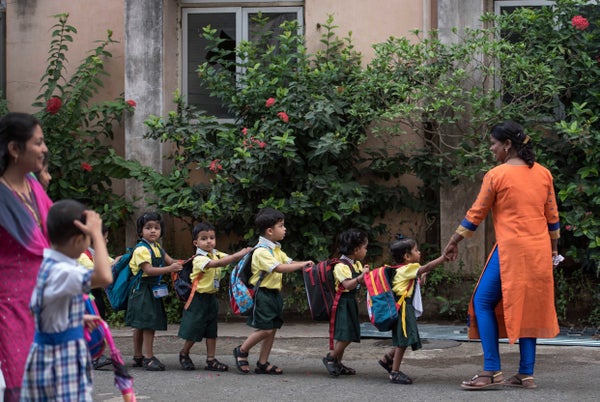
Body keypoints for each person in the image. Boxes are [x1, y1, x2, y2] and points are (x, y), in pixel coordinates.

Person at [442, 120, 560, 390]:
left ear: (508, 145)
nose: (491, 149)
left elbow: (476, 213)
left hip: (511, 250)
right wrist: (553, 250)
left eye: (494, 144)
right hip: (539, 250)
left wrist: (453, 241)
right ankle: (525, 373)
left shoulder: (497, 175)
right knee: (529, 306)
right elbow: (552, 217)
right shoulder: (544, 174)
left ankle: (491, 370)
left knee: (482, 301)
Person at [20, 200, 113, 401]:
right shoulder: (64, 271)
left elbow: (42, 307)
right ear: (78, 240)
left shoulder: (46, 262)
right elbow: (104, 277)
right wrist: (97, 234)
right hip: (61, 361)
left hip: (47, 356)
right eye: (88, 239)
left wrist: (74, 319)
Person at [0, 112, 53, 402]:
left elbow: (55, 237)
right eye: (38, 142)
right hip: (9, 309)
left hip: (43, 305)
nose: (44, 149)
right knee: (19, 386)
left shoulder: (33, 188)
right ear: (14, 149)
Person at [233, 207, 313, 375]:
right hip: (263, 294)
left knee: (273, 328)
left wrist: (306, 263)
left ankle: (263, 363)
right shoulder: (261, 251)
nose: (284, 229)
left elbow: (289, 262)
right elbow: (278, 268)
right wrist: (301, 265)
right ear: (270, 231)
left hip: (274, 294)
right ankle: (242, 350)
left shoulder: (275, 249)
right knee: (266, 329)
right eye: (281, 226)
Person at [178, 222, 252, 371]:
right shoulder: (199, 259)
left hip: (211, 298)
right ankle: (184, 353)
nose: (209, 241)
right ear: (196, 242)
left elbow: (228, 258)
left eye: (212, 237)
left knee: (212, 330)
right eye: (204, 238)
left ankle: (211, 360)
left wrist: (248, 252)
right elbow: (217, 263)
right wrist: (239, 254)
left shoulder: (216, 253)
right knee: (194, 330)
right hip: (198, 298)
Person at [377, 236, 447, 384]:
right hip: (403, 308)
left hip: (401, 307)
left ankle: (387, 359)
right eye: (416, 250)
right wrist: (443, 258)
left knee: (404, 337)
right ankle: (394, 372)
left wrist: (420, 280)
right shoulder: (409, 268)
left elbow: (411, 285)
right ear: (407, 256)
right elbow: (427, 267)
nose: (419, 252)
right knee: (403, 341)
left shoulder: (400, 269)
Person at [125, 212, 183, 371]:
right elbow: (148, 270)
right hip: (142, 290)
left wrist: (189, 262)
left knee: (141, 325)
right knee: (147, 325)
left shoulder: (157, 247)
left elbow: (172, 261)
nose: (153, 231)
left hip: (151, 290)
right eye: (148, 227)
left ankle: (138, 356)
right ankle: (148, 358)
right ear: (140, 231)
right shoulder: (141, 250)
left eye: (156, 228)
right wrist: (170, 269)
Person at [322, 229, 370, 377]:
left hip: (350, 302)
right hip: (342, 303)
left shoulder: (356, 264)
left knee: (348, 333)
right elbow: (347, 285)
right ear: (356, 250)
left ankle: (338, 362)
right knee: (346, 335)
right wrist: (361, 278)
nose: (366, 251)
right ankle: (330, 358)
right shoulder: (341, 266)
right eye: (365, 247)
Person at [78, 223, 119, 370]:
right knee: (91, 325)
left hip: (95, 294)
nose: (106, 242)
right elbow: (98, 275)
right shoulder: (83, 255)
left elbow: (111, 263)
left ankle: (95, 354)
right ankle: (92, 356)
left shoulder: (95, 253)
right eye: (104, 238)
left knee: (98, 321)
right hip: (87, 295)